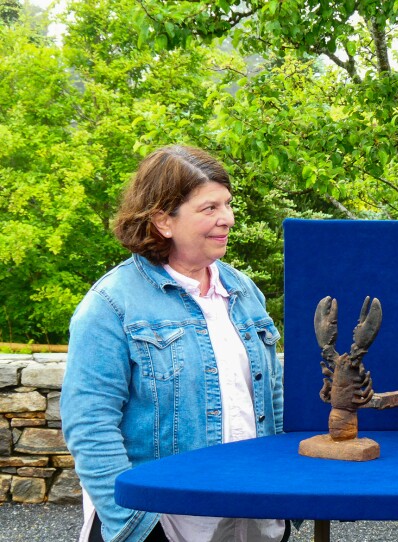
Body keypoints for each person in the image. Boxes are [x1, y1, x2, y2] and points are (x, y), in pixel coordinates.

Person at [61, 145, 287, 542]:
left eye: (228, 204)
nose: (228, 219)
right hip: (165, 521)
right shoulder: (111, 304)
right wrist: (134, 523)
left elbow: (273, 395)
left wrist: (287, 495)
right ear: (163, 220)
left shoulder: (243, 290)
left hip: (252, 512)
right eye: (209, 209)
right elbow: (89, 424)